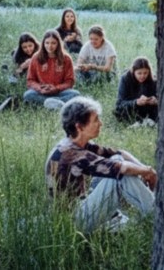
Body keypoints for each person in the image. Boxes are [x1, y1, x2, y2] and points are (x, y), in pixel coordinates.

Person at [45, 97, 157, 233]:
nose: (101, 123)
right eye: (96, 120)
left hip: (82, 204)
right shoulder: (70, 153)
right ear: (79, 126)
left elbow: (120, 153)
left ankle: (147, 207)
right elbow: (123, 168)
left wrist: (146, 170)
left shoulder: (78, 143)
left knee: (117, 159)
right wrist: (147, 171)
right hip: (72, 221)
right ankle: (157, 215)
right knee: (121, 175)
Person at [24, 30, 80, 110]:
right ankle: (58, 104)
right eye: (47, 43)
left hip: (59, 92)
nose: (50, 46)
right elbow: (30, 80)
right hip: (42, 92)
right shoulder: (36, 57)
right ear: (43, 43)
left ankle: (50, 103)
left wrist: (56, 88)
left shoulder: (66, 58)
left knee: (76, 94)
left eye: (53, 43)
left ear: (58, 44)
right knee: (28, 95)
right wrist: (40, 88)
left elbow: (69, 81)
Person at [114, 57, 158, 125]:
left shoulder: (153, 80)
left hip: (149, 110)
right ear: (133, 71)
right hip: (132, 109)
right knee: (119, 111)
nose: (142, 76)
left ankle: (148, 121)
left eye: (145, 73)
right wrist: (136, 102)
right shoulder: (125, 79)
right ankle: (138, 122)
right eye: (139, 73)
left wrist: (156, 101)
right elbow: (119, 104)